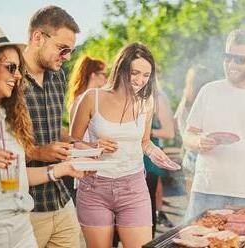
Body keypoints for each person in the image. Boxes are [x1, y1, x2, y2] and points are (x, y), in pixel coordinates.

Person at [71, 42, 180, 247]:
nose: (140, 80)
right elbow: (71, 142)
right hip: (95, 187)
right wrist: (93, 147)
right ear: (121, 68)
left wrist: (156, 153)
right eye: (135, 72)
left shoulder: (146, 103)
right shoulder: (91, 98)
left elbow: (144, 142)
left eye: (146, 75)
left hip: (133, 187)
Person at [0, 25, 87, 248]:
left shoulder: (7, 117)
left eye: (18, 68)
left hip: (20, 226)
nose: (17, 75)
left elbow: (18, 176)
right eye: (11, 67)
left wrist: (63, 169)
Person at [183, 29, 245, 220]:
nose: (231, 64)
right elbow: (188, 135)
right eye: (227, 57)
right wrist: (197, 141)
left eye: (239, 59)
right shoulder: (209, 91)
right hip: (206, 191)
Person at [21, 6, 82, 247]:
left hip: (61, 200)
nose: (67, 56)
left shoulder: (58, 76)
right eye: (62, 48)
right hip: (26, 210)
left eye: (71, 50)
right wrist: (37, 152)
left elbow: (54, 128)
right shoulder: (7, 80)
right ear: (38, 38)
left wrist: (82, 145)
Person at [65, 54, 107, 202]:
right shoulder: (82, 100)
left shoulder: (90, 99)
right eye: (104, 74)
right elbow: (75, 138)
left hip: (93, 162)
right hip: (87, 164)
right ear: (93, 75)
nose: (106, 79)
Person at [174, 64, 214, 197]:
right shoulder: (204, 105)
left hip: (189, 159)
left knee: (195, 206)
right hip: (203, 160)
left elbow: (178, 127)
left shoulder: (185, 102)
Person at [144, 89, 175, 237]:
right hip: (126, 160)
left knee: (148, 205)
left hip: (148, 159)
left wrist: (144, 133)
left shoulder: (157, 98)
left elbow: (169, 132)